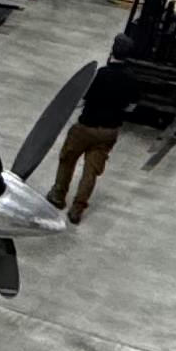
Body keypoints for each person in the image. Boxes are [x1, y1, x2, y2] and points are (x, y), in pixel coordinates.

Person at [50, 36, 141, 225]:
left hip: (86, 126)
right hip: (109, 131)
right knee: (91, 171)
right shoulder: (133, 79)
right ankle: (77, 209)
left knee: (68, 159)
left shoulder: (102, 74)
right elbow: (132, 107)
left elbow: (84, 97)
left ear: (112, 51)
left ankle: (58, 196)